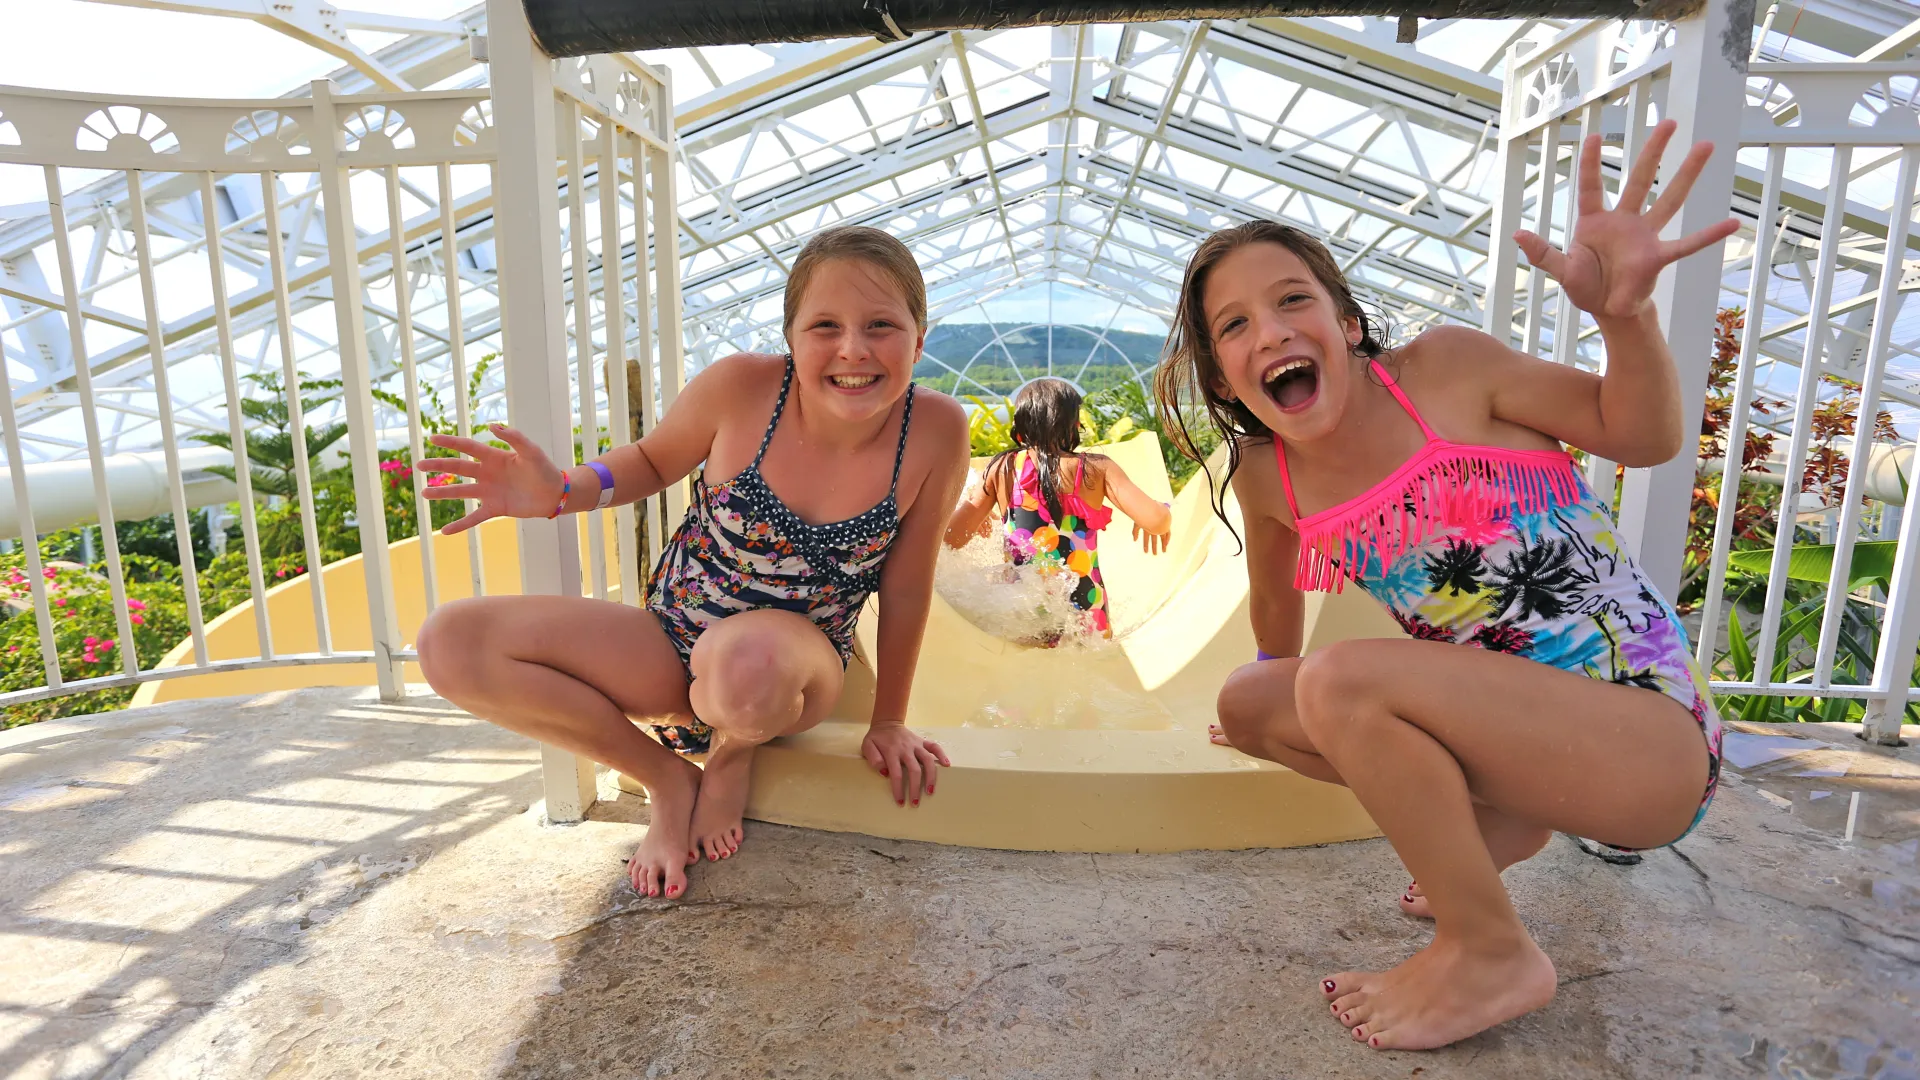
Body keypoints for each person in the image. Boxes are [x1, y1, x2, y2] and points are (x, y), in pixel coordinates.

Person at [1157, 121, 1733, 1050]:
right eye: (1233, 325)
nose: (1269, 331)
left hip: (1649, 744)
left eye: (1291, 299)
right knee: (1259, 697)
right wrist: (1277, 693)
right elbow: (1277, 608)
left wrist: (1624, 319)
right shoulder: (1270, 477)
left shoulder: (1450, 373)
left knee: (1343, 679)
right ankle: (1504, 821)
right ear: (1225, 377)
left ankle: (1489, 949)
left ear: (1345, 324)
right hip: (1527, 738)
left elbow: (1643, 436)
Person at [414, 225, 970, 901]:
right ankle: (668, 778)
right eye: (825, 325)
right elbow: (650, 461)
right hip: (674, 639)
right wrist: (562, 490)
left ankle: (733, 752)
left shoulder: (937, 431)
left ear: (921, 336)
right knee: (450, 643)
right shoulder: (741, 388)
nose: (853, 349)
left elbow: (907, 586)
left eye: (881, 324)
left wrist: (889, 721)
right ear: (791, 337)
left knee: (748, 664)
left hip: (788, 669)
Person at [944, 377, 1173, 639]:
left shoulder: (1001, 469)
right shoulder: (1097, 468)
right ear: (1074, 425)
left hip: (1022, 611)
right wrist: (1159, 509)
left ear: (1020, 429)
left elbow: (951, 538)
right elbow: (1157, 521)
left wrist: (972, 513)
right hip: (1087, 612)